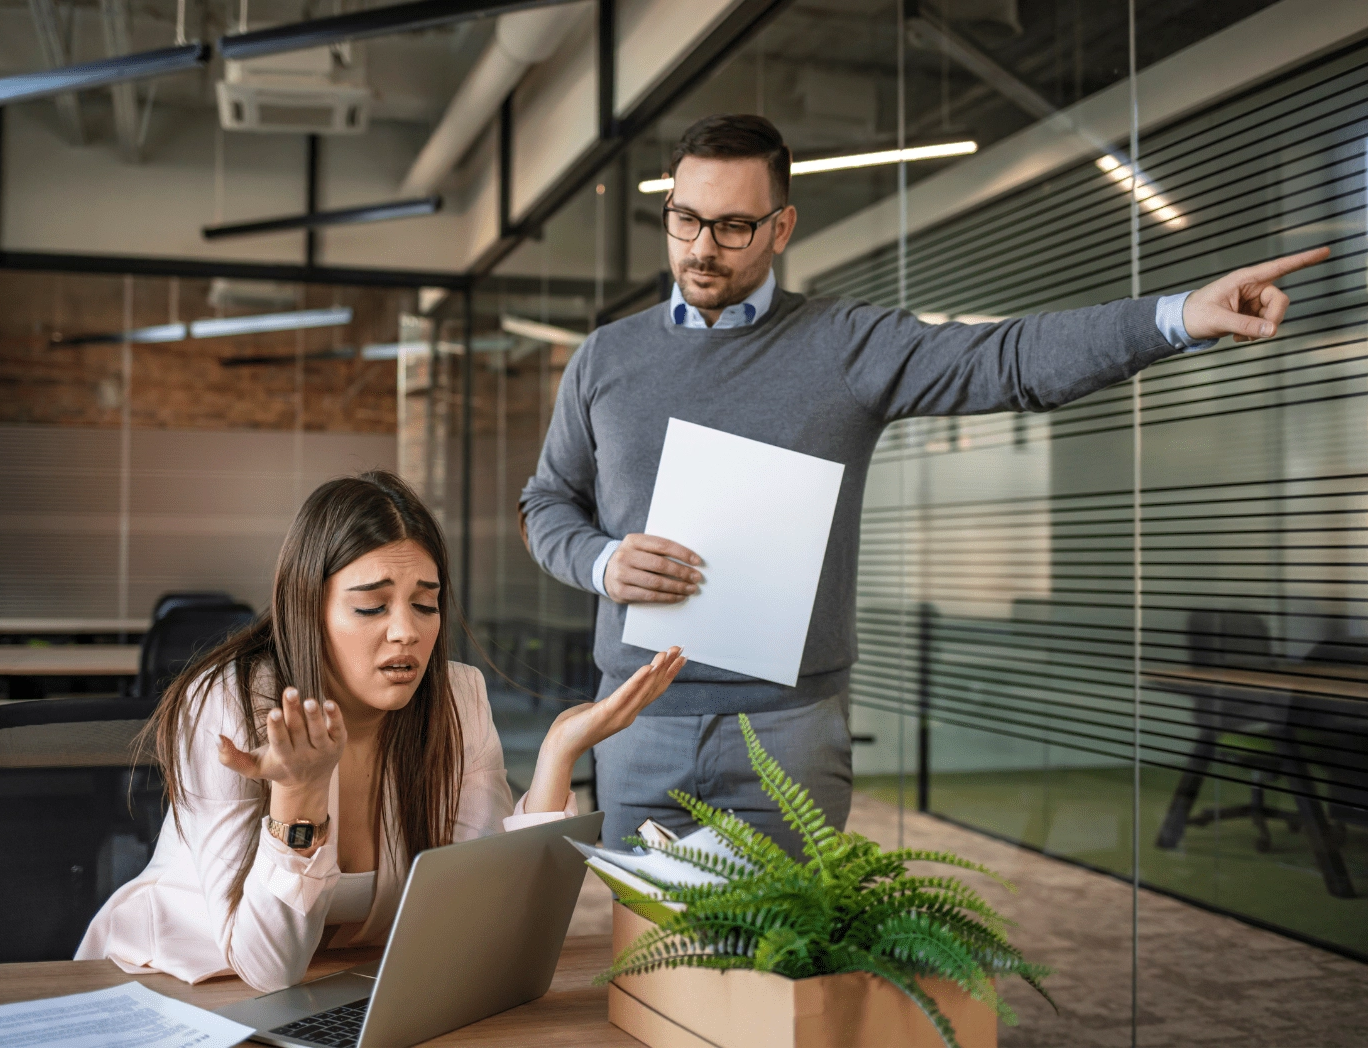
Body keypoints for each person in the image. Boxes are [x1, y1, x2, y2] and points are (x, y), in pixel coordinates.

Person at [518, 112, 1329, 854]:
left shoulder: (844, 345)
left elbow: (1006, 361)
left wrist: (1175, 317)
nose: (701, 248)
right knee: (641, 976)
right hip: (630, 722)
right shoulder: (606, 357)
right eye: (685, 219)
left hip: (786, 732)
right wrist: (598, 562)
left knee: (778, 987)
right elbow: (546, 501)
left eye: (732, 226)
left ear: (781, 227)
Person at [77, 470, 685, 992]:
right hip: (173, 989)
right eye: (371, 606)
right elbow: (267, 965)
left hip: (343, 988)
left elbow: (488, 922)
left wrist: (557, 755)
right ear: (308, 608)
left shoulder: (454, 697)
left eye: (425, 604)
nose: (407, 632)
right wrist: (299, 799)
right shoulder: (234, 704)